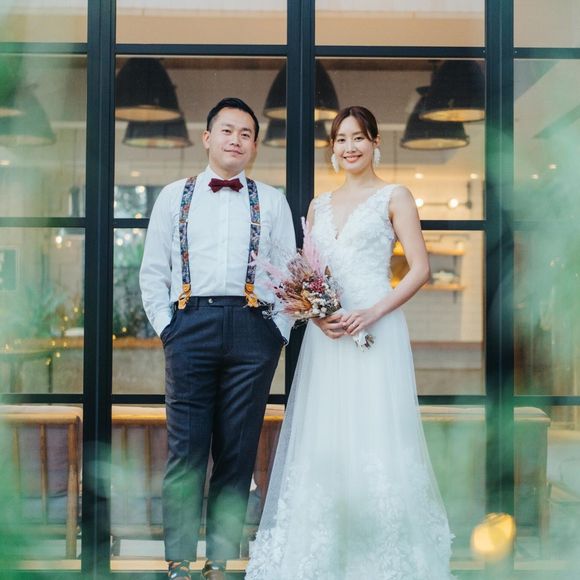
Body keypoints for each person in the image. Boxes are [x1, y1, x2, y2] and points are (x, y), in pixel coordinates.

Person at [246, 106, 454, 579]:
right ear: (333, 149)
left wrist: (373, 312)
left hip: (377, 331)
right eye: (341, 139)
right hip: (330, 338)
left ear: (375, 142)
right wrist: (318, 317)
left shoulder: (395, 197)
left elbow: (420, 269)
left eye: (358, 137)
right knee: (325, 432)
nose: (350, 147)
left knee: (376, 430)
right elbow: (308, 274)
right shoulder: (317, 206)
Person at [139, 97, 295, 580]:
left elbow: (288, 273)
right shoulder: (174, 196)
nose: (236, 140)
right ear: (207, 138)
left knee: (238, 451)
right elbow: (153, 270)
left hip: (253, 331)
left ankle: (219, 561)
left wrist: (276, 332)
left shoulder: (272, 200)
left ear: (254, 146)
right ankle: (179, 560)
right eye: (227, 130)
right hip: (191, 325)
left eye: (246, 134)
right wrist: (169, 329)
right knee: (186, 450)